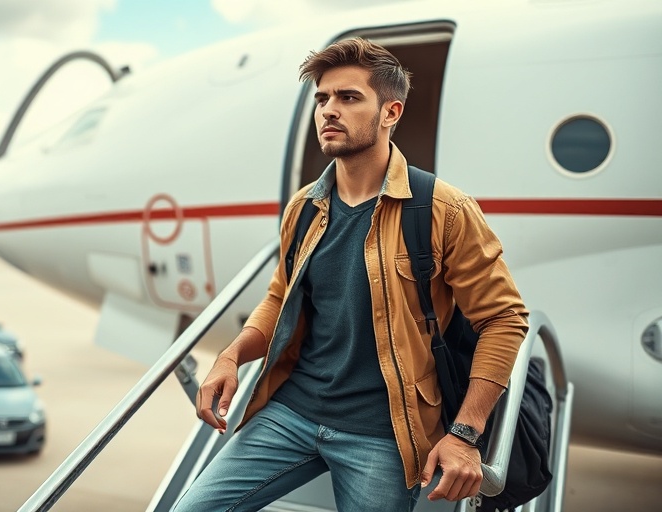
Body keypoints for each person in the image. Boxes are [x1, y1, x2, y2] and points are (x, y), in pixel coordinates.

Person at [172, 37, 529, 511]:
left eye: (348, 97)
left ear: (390, 113)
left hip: (383, 434)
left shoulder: (444, 209)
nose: (328, 110)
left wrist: (464, 433)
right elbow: (280, 298)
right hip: (291, 413)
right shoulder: (304, 207)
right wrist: (230, 357)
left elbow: (504, 320)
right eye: (322, 99)